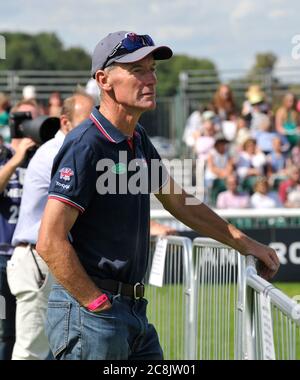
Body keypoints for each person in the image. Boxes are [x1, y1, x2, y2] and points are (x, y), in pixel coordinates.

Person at [36, 31, 279, 361]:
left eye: (152, 69)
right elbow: (50, 241)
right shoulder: (87, 145)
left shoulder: (136, 137)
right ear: (104, 80)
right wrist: (96, 303)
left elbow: (178, 201)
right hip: (94, 312)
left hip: (130, 310)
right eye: (137, 71)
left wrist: (243, 242)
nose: (151, 79)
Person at [6, 92, 94, 360]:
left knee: (47, 348)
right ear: (65, 123)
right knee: (31, 351)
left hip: (44, 259)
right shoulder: (59, 153)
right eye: (86, 121)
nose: (93, 127)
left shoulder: (63, 150)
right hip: (39, 260)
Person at [0, 100, 37, 360]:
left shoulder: (45, 157)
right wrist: (15, 159)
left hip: (33, 257)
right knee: (4, 330)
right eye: (22, 119)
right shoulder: (3, 155)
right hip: (2, 256)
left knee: (32, 331)